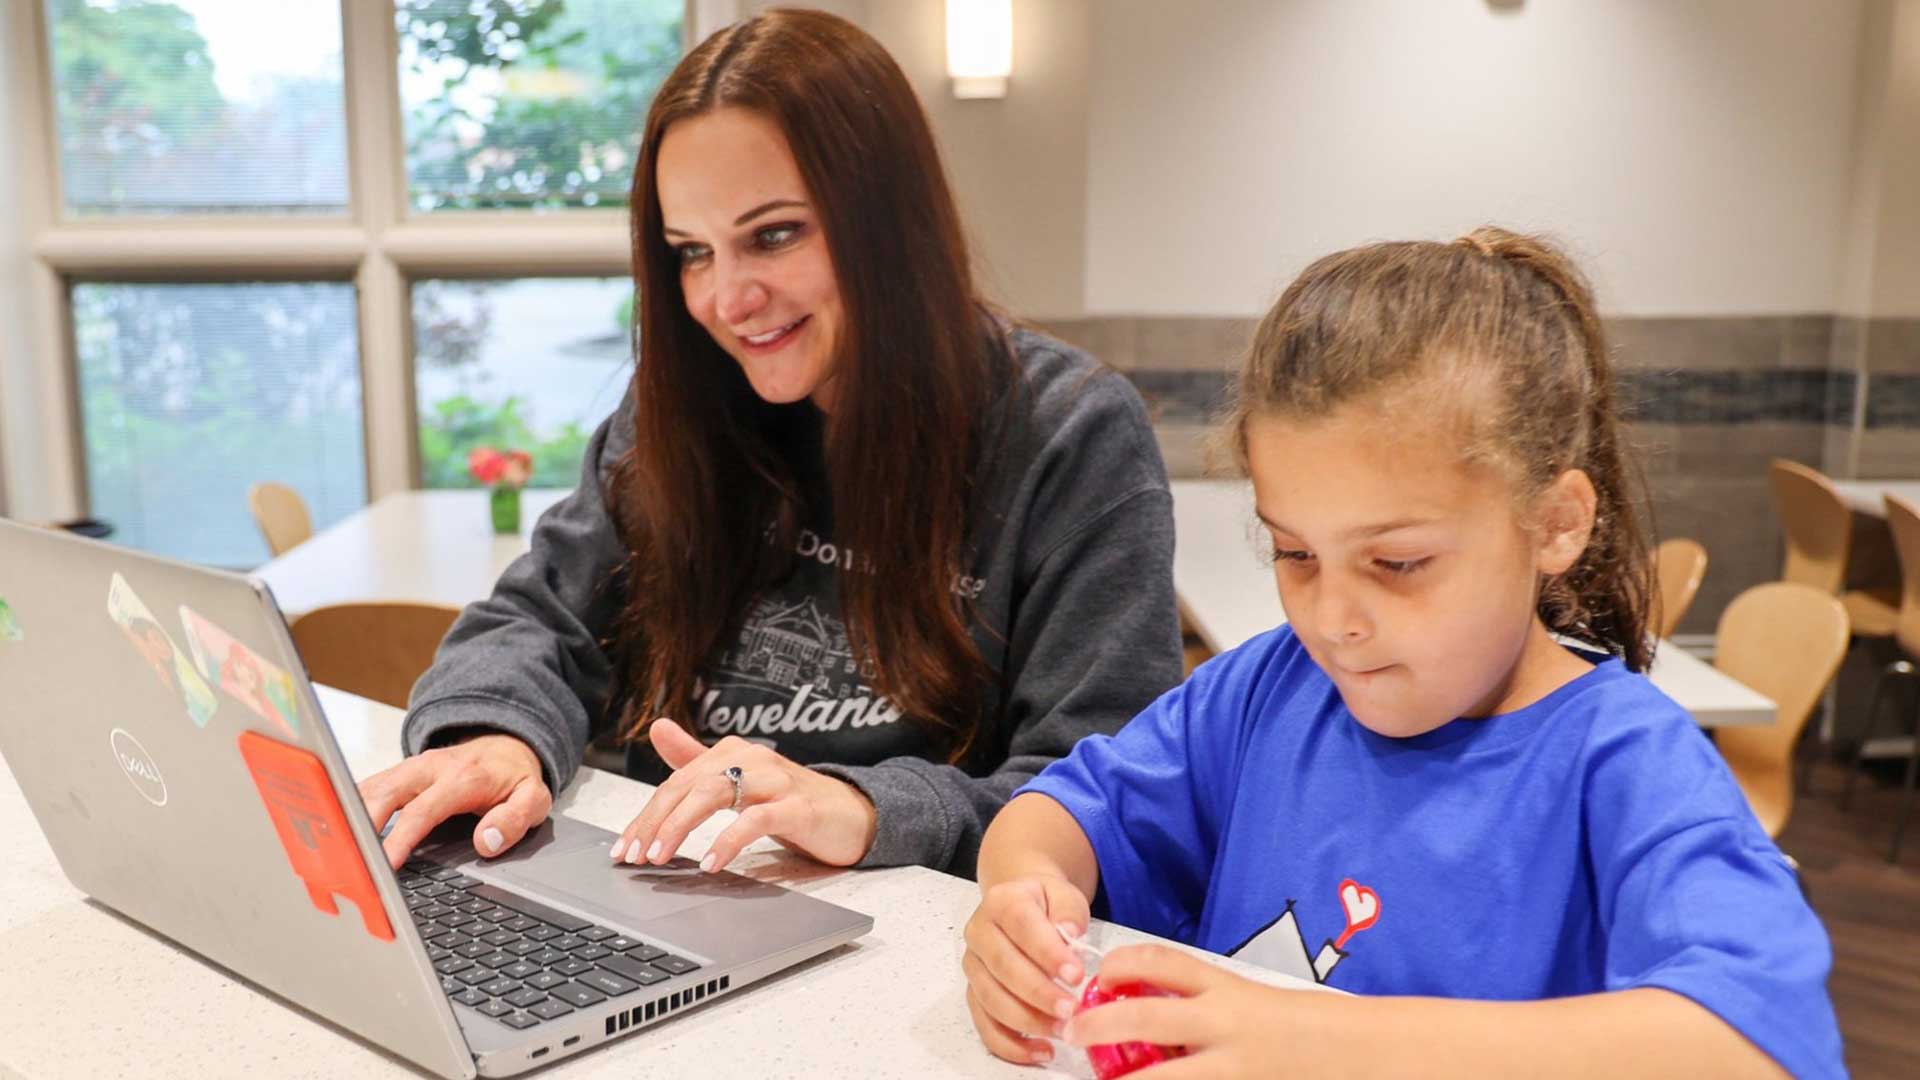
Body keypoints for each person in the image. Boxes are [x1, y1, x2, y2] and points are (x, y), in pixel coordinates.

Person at [962, 229, 1843, 1077]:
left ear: (1556, 522)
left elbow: (1758, 1047)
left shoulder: (1623, 762)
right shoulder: (1267, 691)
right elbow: (1063, 812)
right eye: (1296, 554)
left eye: (1398, 563)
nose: (1334, 619)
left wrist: (1328, 1045)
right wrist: (1025, 901)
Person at [355, 9, 1182, 881]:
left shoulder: (1070, 434)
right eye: (691, 252)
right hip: (661, 891)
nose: (726, 299)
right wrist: (496, 734)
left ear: (889, 223)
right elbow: (537, 621)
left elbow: (1109, 798)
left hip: (911, 938)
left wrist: (865, 805)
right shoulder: (683, 408)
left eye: (774, 235)